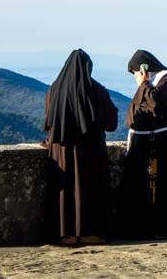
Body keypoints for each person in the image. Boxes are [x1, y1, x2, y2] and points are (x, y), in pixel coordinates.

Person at [117, 48, 167, 237]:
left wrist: (144, 83)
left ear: (144, 68)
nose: (135, 77)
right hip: (147, 140)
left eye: (136, 73)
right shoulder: (150, 83)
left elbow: (157, 102)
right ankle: (146, 226)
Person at [43, 49, 118, 246]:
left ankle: (65, 234)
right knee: (90, 188)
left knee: (65, 190)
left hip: (61, 151)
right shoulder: (96, 89)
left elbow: (49, 122)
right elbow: (111, 123)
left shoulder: (54, 90)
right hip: (90, 150)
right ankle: (90, 232)